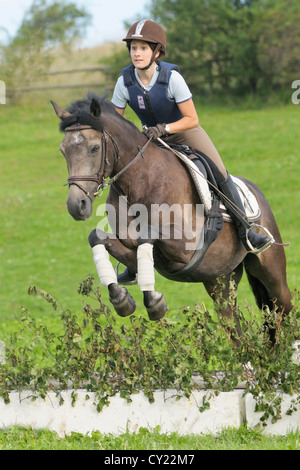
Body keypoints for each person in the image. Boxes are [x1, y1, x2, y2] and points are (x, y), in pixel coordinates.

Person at [111, 19, 273, 283]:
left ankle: (247, 232)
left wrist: (164, 128)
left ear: (157, 52)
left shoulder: (172, 78)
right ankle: (132, 259)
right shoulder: (124, 82)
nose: (137, 53)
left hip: (184, 131)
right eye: (133, 48)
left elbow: (191, 118)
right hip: (150, 138)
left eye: (142, 48)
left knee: (219, 172)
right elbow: (116, 123)